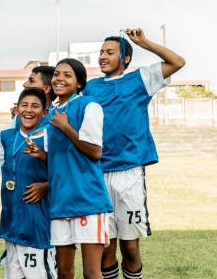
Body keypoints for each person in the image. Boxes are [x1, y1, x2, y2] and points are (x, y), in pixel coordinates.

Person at [82, 29, 185, 279]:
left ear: (125, 59)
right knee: (106, 245)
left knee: (130, 246)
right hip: (97, 174)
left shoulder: (140, 79)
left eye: (109, 52)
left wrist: (144, 42)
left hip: (129, 175)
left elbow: (177, 62)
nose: (103, 57)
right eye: (101, 53)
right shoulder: (89, 88)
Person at [0, 88, 57, 279]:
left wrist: (47, 184)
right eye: (24, 105)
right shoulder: (7, 137)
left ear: (45, 112)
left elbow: (71, 171)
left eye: (35, 106)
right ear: (17, 109)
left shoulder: (51, 136)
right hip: (12, 225)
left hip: (38, 226)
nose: (29, 110)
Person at [47, 58, 113, 279]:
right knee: (64, 272)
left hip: (87, 199)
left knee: (91, 272)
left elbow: (95, 152)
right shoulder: (51, 113)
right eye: (57, 74)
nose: (60, 79)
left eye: (67, 75)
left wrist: (66, 128)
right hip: (60, 200)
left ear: (79, 83)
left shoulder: (89, 106)